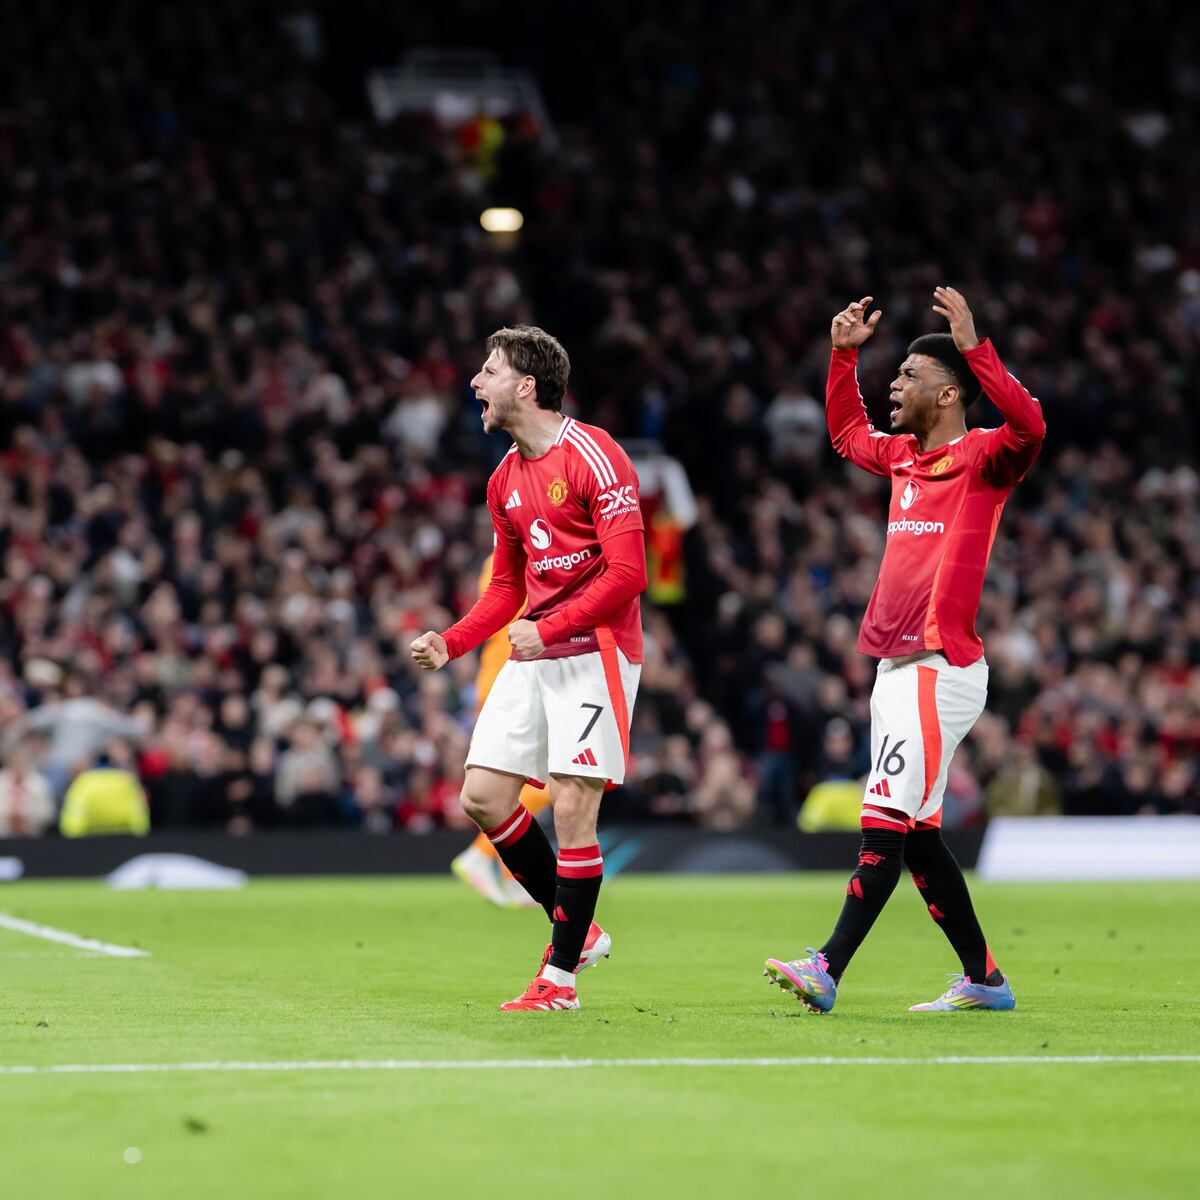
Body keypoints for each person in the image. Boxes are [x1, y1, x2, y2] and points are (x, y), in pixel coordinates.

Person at [764, 288, 1045, 1014]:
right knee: (917, 836)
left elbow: (1031, 422)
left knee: (883, 818)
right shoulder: (903, 460)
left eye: (909, 377)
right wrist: (843, 355)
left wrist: (976, 345)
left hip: (938, 666)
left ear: (949, 393)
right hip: (896, 668)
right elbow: (844, 433)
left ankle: (827, 966)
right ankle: (984, 980)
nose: (895, 385)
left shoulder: (983, 457)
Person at [411, 325, 646, 1012]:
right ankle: (579, 924)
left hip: (594, 654)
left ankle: (561, 980)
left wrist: (551, 628)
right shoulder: (504, 481)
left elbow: (630, 572)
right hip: (536, 651)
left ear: (526, 385)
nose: (476, 384)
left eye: (488, 372)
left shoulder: (595, 456)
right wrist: (451, 642)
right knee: (482, 796)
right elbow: (508, 589)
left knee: (574, 807)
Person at [449, 552, 549, 908]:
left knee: (528, 781)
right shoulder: (520, 556)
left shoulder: (503, 557)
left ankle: (513, 878)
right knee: (547, 781)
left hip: (509, 674)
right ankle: (480, 854)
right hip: (509, 677)